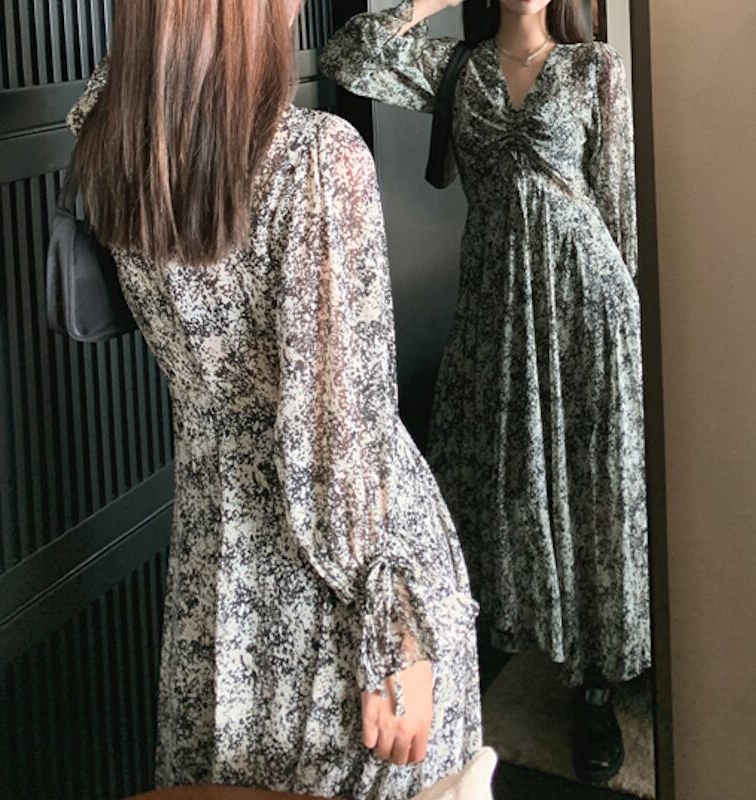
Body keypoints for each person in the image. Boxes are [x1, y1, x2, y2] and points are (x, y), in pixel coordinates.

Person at [65, 1, 482, 797]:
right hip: (338, 584)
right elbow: (336, 434)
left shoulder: (107, 134)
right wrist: (392, 631)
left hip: (214, 560)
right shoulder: (314, 160)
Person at [320, 0, 651, 785]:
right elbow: (347, 55)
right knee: (485, 490)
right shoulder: (457, 69)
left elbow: (620, 215)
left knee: (591, 494)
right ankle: (475, 660)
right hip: (493, 314)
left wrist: (623, 329)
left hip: (585, 309)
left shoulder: (595, 69)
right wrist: (425, 4)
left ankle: (593, 685)